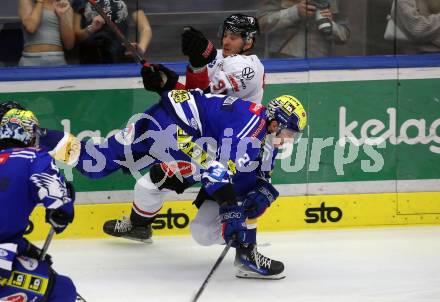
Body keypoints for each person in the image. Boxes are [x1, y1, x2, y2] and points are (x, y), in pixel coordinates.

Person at [36, 65, 307, 278]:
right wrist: (231, 210)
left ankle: (38, 136)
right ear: (274, 124)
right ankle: (37, 136)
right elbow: (215, 172)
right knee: (99, 164)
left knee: (98, 161)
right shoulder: (250, 130)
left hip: (182, 126)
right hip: (175, 128)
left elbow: (254, 178)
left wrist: (260, 194)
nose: (290, 139)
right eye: (289, 132)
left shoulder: (263, 135)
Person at [103, 13, 266, 244]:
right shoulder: (220, 58)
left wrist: (191, 71)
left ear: (248, 42)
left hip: (231, 152)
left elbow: (202, 99)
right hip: (205, 145)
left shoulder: (248, 68)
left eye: (234, 37)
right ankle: (139, 227)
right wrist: (166, 83)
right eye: (225, 35)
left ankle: (243, 233)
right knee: (151, 181)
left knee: (203, 232)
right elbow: (193, 96)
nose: (226, 41)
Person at [0, 108, 76, 301]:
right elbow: (59, 205)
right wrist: (63, 209)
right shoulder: (34, 157)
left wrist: (25, 249)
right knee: (62, 289)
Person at [257, 0, 350, 58]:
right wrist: (295, 12)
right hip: (284, 61)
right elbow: (260, 24)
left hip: (320, 62)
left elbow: (344, 35)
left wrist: (329, 25)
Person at [71, 0, 152, 64]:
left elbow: (145, 28)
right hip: (90, 59)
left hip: (120, 58)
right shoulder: (80, 1)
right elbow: (76, 37)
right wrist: (91, 28)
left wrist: (141, 47)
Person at [18, 0, 75, 66]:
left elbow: (69, 45)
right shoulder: (27, 1)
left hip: (57, 59)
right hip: (31, 60)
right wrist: (40, 2)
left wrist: (63, 17)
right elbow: (31, 27)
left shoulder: (64, 4)